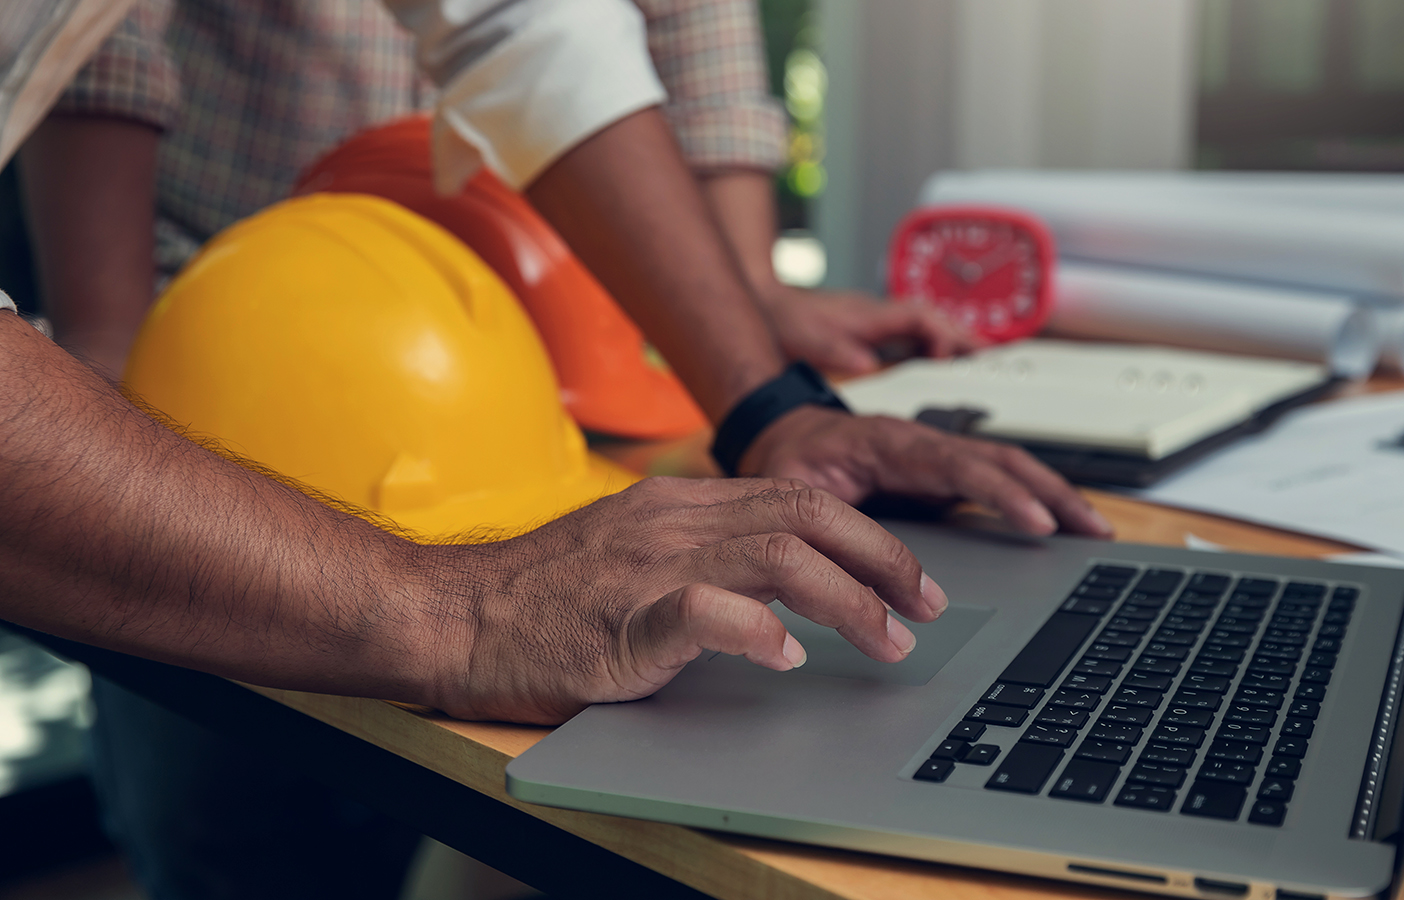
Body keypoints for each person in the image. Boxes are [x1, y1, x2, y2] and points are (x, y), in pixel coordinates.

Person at [2, 2, 1111, 897]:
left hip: (480, 355)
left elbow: (522, 24)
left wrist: (768, 401)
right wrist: (460, 612)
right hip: (219, 331)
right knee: (228, 826)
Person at [23, 0, 974, 379]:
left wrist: (752, 303)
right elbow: (104, 39)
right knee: (215, 768)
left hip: (529, 316)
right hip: (218, 284)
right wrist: (108, 327)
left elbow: (549, 24)